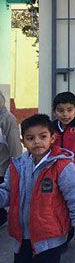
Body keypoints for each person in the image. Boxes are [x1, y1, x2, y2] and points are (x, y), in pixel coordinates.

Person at [0, 114, 75, 263]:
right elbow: (7, 192)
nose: (37, 142)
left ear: (52, 138)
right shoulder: (16, 166)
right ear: (23, 141)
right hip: (21, 238)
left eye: (43, 136)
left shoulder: (61, 166)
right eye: (30, 138)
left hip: (50, 239)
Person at [0, 91, 22, 228]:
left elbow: (15, 147)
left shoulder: (7, 119)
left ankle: (3, 217)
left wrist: (18, 168)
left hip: (2, 168)